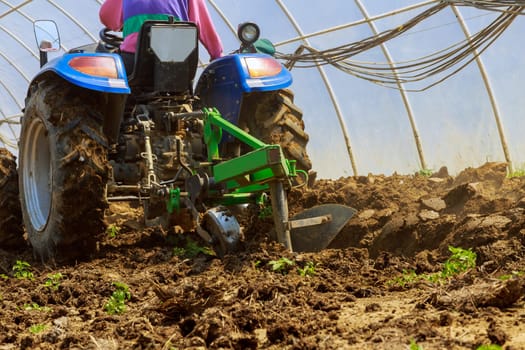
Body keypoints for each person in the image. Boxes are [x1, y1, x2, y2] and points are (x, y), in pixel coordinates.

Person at [100, 0, 223, 74]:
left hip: (134, 61)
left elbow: (105, 16)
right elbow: (204, 26)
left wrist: (121, 25)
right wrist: (216, 55)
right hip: (179, 63)